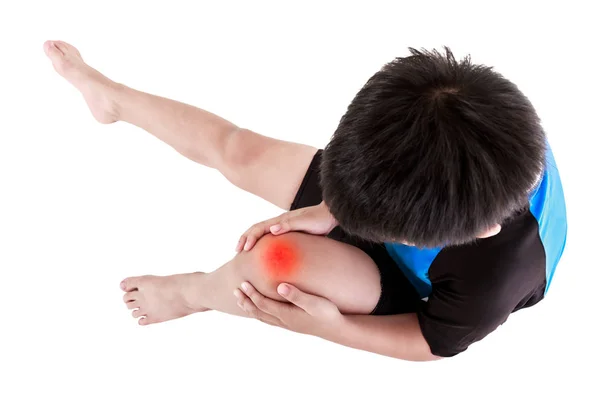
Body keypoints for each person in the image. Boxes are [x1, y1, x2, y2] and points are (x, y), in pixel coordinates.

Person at [43, 40, 567, 361]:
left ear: (476, 233)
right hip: (395, 195)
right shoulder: (443, 125)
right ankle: (112, 97)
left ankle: (194, 293)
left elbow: (431, 342)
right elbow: (368, 167)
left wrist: (335, 330)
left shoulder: (494, 277)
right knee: (240, 151)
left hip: (413, 286)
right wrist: (330, 205)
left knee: (272, 265)